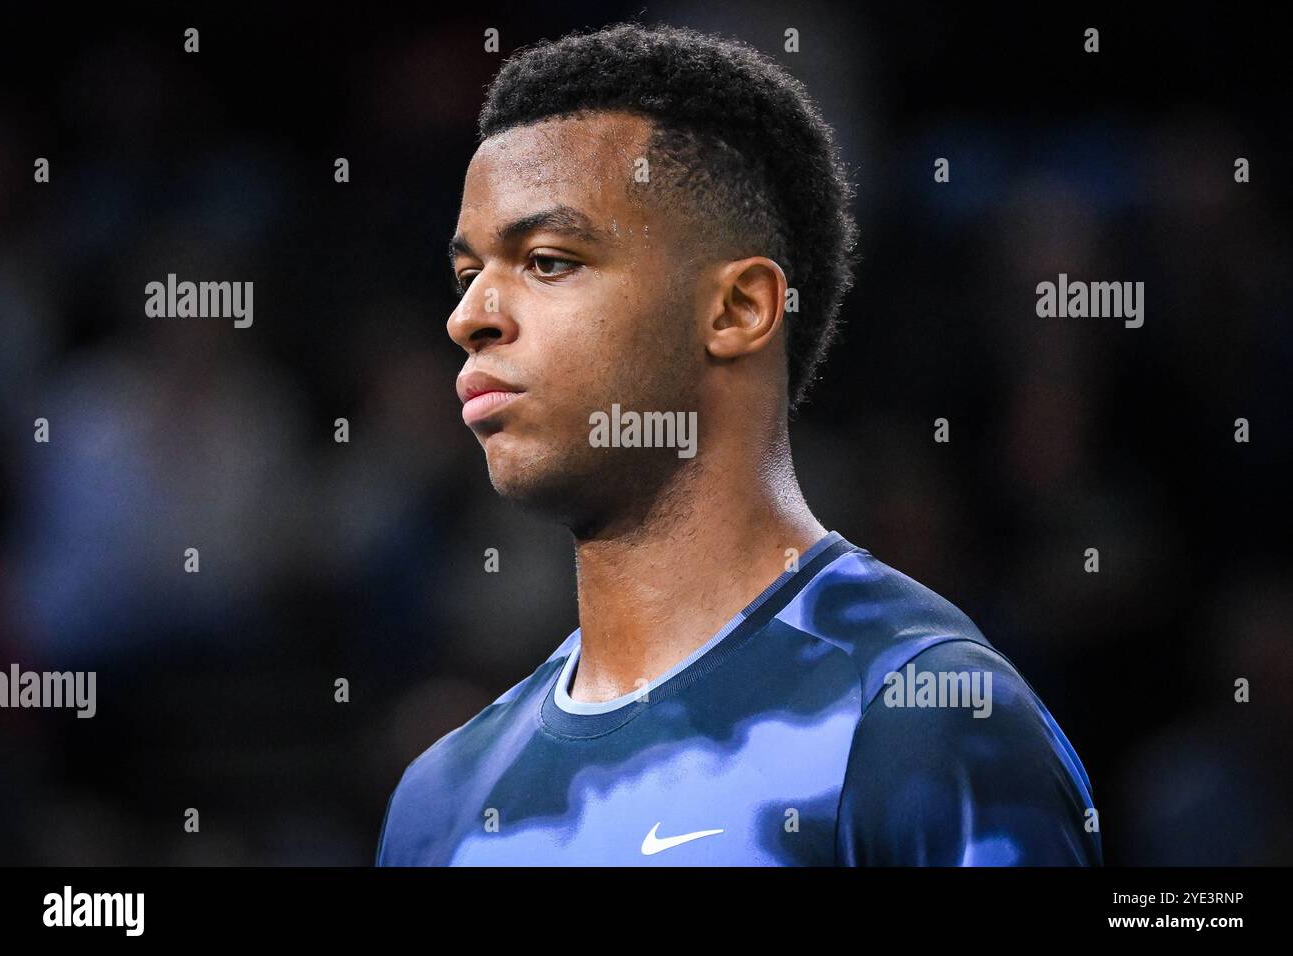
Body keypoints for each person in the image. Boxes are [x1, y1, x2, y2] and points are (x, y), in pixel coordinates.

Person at [377, 21, 1102, 866]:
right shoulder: (442, 800)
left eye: (545, 260)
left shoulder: (917, 716)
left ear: (738, 310)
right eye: (468, 277)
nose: (469, 318)